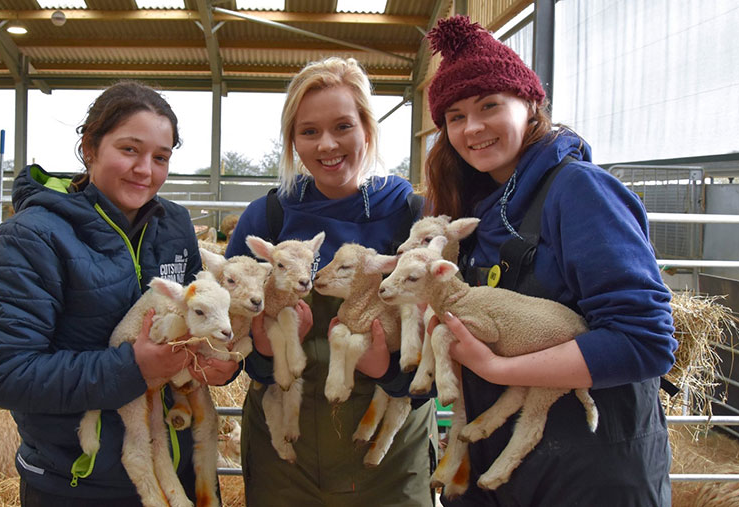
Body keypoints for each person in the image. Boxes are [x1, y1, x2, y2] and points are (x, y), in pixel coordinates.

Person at [422, 16, 677, 506]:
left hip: (589, 468)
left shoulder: (579, 190)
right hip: (500, 463)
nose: (472, 127)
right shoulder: (472, 213)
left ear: (529, 103)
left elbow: (644, 341)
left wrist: (497, 368)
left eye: (489, 106)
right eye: (455, 116)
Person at [0, 81, 237, 506]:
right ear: (89, 147)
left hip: (177, 474)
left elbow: (197, 316)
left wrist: (217, 362)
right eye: (129, 149)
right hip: (80, 481)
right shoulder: (30, 238)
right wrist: (134, 368)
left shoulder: (175, 227)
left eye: (161, 157)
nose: (145, 170)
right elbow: (9, 375)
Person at [224, 57, 438, 507]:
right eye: (308, 131)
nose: (326, 144)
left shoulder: (410, 218)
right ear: (292, 140)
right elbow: (231, 332)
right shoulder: (268, 217)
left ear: (367, 128)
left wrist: (390, 373)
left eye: (342, 126)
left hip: (387, 452)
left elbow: (446, 339)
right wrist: (265, 352)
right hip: (286, 449)